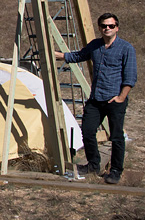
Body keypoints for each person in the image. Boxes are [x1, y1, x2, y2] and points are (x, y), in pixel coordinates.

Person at [55, 12, 137, 184]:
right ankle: (93, 164)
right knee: (87, 131)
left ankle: (115, 170)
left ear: (117, 28)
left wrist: (121, 98)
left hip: (114, 100)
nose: (107, 29)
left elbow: (130, 77)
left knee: (116, 136)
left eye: (111, 26)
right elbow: (78, 56)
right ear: (100, 28)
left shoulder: (126, 48)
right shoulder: (95, 46)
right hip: (96, 99)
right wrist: (56, 54)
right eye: (104, 26)